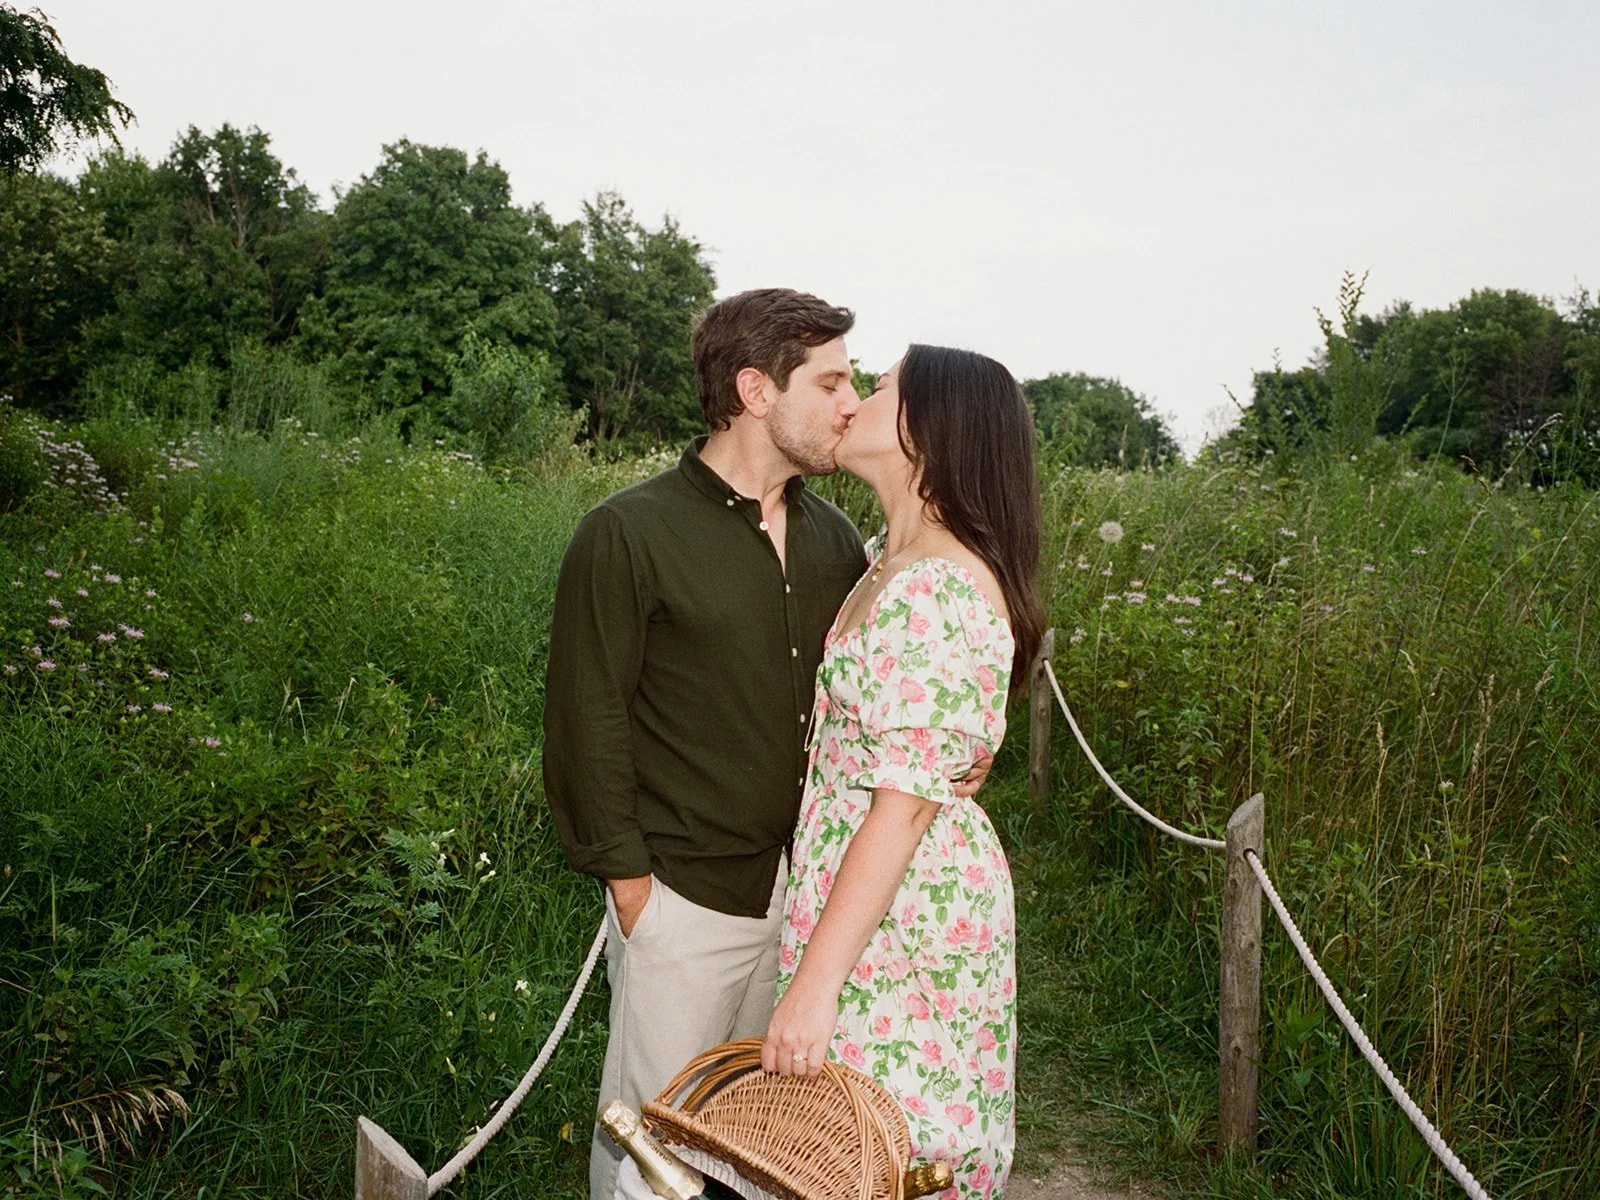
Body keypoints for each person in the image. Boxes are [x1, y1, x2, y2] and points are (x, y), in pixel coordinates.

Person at [544, 290, 990, 1200]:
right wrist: (636, 896)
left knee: (759, 1158)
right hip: (684, 901)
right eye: (831, 380)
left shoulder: (842, 544)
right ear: (755, 389)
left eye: (857, 382)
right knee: (651, 1153)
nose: (850, 401)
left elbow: (884, 700)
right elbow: (585, 726)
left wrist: (961, 749)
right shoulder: (627, 532)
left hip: (809, 905)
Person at [761, 345, 1043, 1200]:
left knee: (894, 1144)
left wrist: (814, 986)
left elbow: (906, 808)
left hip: (901, 908)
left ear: (926, 428)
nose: (857, 399)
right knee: (845, 1152)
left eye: (881, 387)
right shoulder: (889, 556)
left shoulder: (938, 589)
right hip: (863, 892)